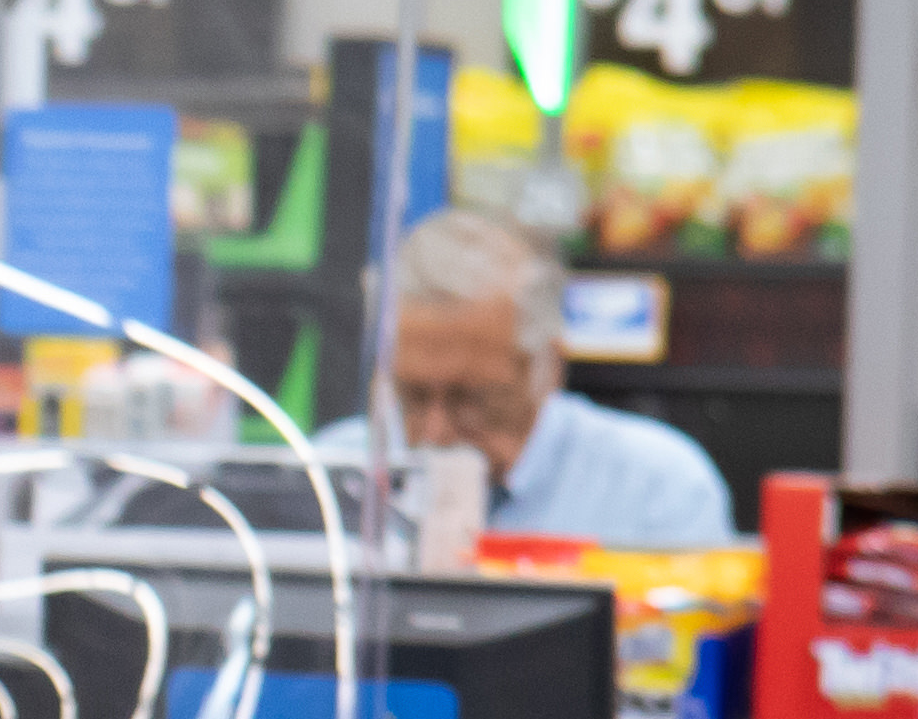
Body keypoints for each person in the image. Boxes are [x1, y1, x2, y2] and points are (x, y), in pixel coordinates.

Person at [312, 204, 734, 544]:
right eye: (413, 398)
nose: (435, 434)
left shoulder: (655, 491)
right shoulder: (330, 477)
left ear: (548, 368)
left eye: (472, 401)